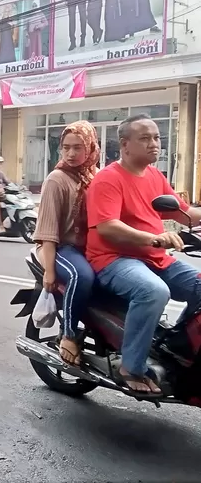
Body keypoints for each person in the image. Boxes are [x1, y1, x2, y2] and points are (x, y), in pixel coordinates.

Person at [86, 113, 201, 396]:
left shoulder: (154, 176)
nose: (154, 144)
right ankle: (131, 367)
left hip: (154, 257)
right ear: (125, 145)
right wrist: (154, 238)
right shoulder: (108, 179)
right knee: (153, 291)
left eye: (157, 137)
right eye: (145, 138)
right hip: (114, 259)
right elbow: (108, 228)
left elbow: (183, 213)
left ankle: (176, 345)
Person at [33, 121, 100, 365]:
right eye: (66, 147)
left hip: (88, 248)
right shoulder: (56, 180)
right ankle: (69, 335)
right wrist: (49, 272)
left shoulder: (94, 177)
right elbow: (48, 233)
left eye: (78, 148)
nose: (71, 154)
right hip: (60, 248)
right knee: (82, 277)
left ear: (91, 148)